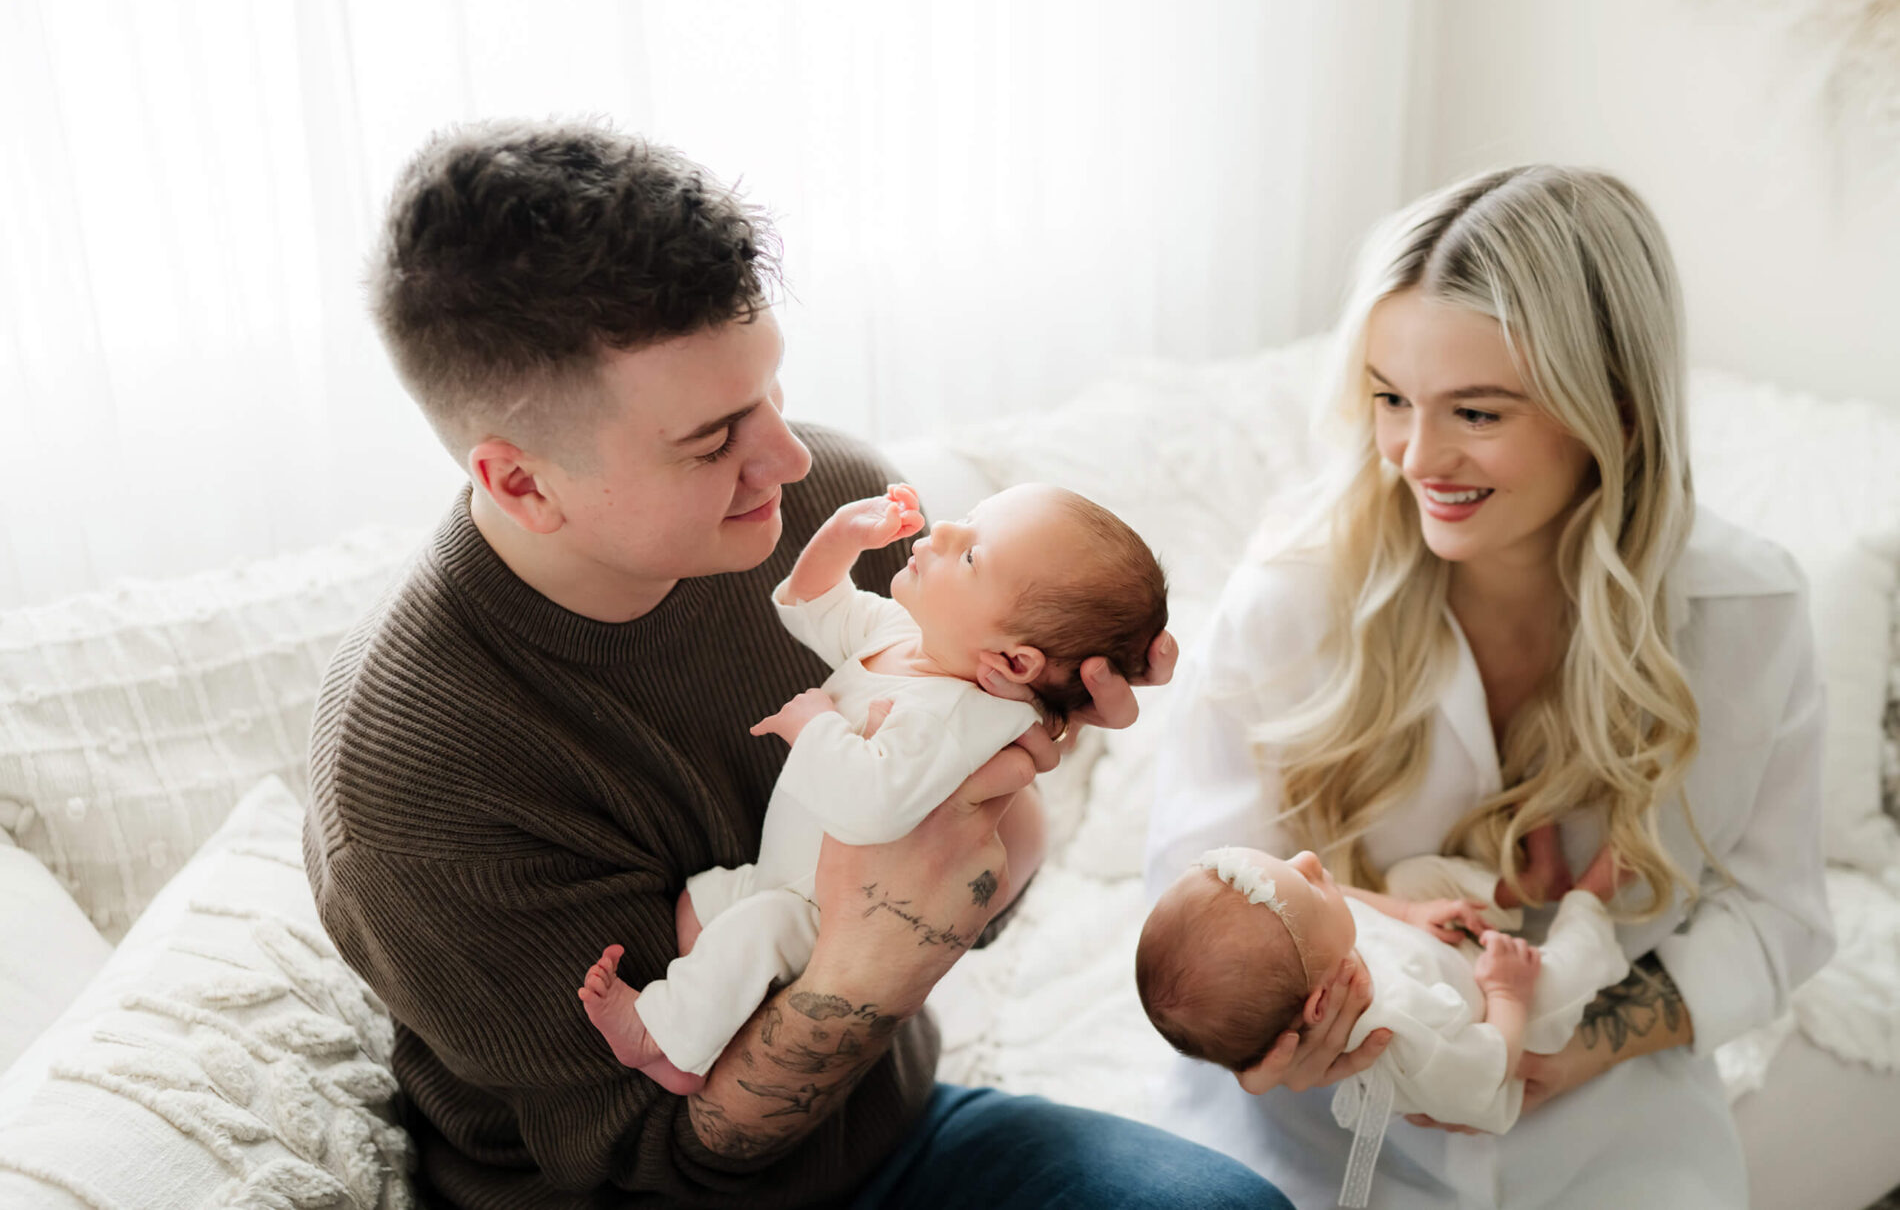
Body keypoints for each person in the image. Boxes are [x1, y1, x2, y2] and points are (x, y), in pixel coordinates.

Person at [304, 118, 1289, 1209]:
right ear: (522, 482)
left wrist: (1007, 750)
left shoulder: (825, 509)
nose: (789, 455)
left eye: (771, 391)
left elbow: (974, 901)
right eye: (713, 437)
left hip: (891, 1135)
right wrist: (870, 961)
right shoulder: (412, 782)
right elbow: (668, 1155)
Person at [1143, 164, 1834, 1208]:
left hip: (1609, 1131)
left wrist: (1576, 1047)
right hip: (1302, 1127)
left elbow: (1778, 912)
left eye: (1475, 410)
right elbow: (1198, 890)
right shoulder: (1293, 594)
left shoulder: (1746, 610)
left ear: (1616, 411)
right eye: (1389, 399)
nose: (1417, 456)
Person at [579, 482, 1167, 1089]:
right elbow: (812, 606)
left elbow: (872, 807)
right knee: (701, 906)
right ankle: (711, 1019)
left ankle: (665, 1044)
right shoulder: (907, 640)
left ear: (1015, 663)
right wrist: (840, 539)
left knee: (758, 933)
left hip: (826, 917)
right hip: (779, 877)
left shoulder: (958, 712)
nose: (941, 533)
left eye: (970, 555)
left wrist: (815, 728)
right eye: (964, 520)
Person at [1137, 844, 1630, 1207]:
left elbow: (1343, 902)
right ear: (1321, 1003)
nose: (1308, 858)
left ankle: (1526, 884)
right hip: (1490, 1024)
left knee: (1413, 876)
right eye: (1307, 884)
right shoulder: (1400, 1024)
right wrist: (1508, 992)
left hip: (1431, 953)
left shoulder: (1315, 948)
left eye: (1288, 864)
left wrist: (1410, 913)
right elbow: (1484, 1075)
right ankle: (1589, 899)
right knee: (1562, 977)